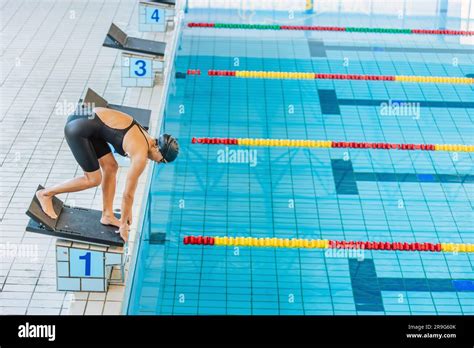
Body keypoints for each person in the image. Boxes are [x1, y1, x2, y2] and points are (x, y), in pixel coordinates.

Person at [35, 107, 179, 242]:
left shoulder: (147, 138)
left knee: (111, 166)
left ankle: (107, 215)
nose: (159, 163)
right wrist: (123, 223)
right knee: (93, 179)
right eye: (162, 160)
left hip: (87, 121)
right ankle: (45, 194)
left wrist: (126, 212)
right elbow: (128, 194)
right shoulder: (141, 155)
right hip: (78, 128)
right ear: (158, 149)